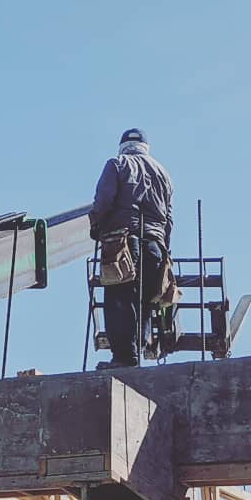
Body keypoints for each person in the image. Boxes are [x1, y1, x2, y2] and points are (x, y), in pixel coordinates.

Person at [89, 127, 174, 366]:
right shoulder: (163, 173)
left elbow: (104, 201)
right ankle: (136, 353)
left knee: (119, 297)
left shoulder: (117, 164)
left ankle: (125, 358)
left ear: (122, 147)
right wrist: (164, 248)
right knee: (144, 301)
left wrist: (97, 225)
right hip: (155, 246)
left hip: (123, 242)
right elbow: (169, 219)